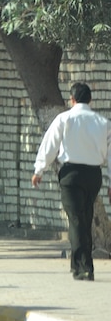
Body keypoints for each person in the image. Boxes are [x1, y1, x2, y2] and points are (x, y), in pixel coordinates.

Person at [31, 82, 111, 281]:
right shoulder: (103, 122)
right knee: (85, 217)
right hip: (93, 175)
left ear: (72, 99)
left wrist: (39, 169)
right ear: (90, 100)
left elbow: (50, 144)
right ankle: (78, 264)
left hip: (71, 175)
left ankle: (84, 267)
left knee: (76, 221)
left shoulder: (64, 118)